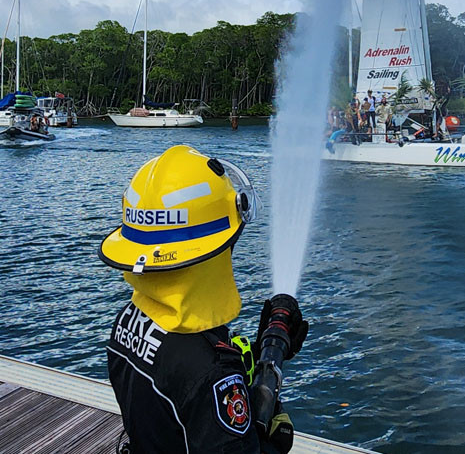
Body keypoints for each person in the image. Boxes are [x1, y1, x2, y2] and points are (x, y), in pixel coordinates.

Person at [99, 145, 308, 454]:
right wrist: (271, 441)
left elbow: (177, 404)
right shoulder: (211, 376)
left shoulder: (127, 321)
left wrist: (247, 360)